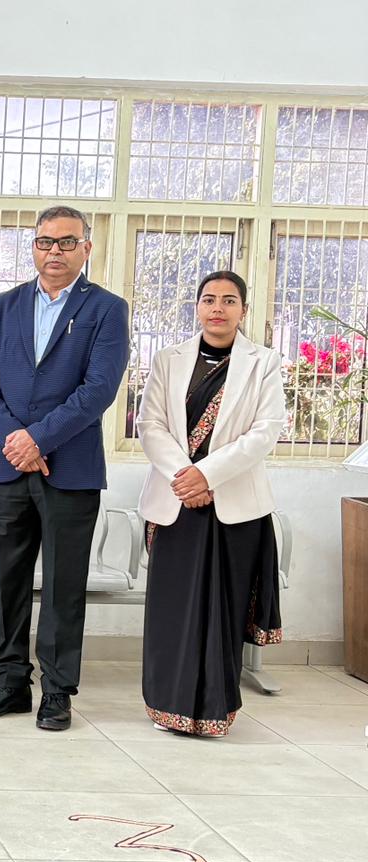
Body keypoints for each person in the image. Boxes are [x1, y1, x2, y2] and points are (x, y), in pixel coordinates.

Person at [0, 205, 129, 731]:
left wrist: (38, 438)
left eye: (66, 242)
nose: (54, 251)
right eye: (44, 242)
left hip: (69, 469)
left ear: (87, 248)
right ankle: (10, 682)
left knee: (62, 585)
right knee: (7, 582)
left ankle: (57, 691)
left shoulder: (106, 309)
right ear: (33, 247)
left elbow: (99, 389)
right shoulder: (4, 305)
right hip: (7, 466)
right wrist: (16, 440)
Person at [137, 270, 284, 737]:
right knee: (172, 611)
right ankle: (167, 707)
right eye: (208, 299)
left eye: (229, 300)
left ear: (244, 309)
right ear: (197, 307)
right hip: (176, 500)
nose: (218, 308)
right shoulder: (168, 359)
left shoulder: (264, 363)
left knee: (224, 609)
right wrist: (186, 476)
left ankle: (214, 711)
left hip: (234, 506)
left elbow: (266, 431)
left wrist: (209, 474)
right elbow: (150, 423)